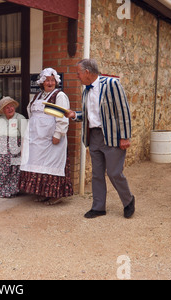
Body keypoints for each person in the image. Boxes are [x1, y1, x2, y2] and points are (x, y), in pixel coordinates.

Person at [65, 58, 135, 218]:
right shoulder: (86, 91)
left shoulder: (112, 84)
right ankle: (98, 207)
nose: (77, 76)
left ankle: (128, 200)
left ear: (87, 72)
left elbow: (123, 111)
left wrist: (125, 137)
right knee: (97, 174)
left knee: (114, 172)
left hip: (112, 136)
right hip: (94, 136)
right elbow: (92, 115)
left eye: (78, 73)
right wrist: (75, 114)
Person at [19, 68, 73, 205]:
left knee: (52, 164)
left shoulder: (59, 96)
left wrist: (58, 134)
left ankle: (55, 195)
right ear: (42, 82)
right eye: (47, 80)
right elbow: (30, 112)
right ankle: (44, 192)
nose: (50, 83)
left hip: (51, 137)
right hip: (37, 137)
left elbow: (62, 117)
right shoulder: (37, 96)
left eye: (52, 80)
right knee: (38, 164)